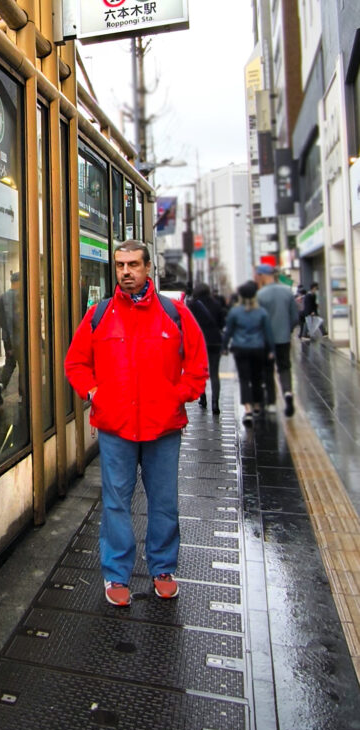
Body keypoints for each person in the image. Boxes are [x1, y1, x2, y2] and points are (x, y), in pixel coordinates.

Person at [64, 239, 208, 608]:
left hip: (164, 428)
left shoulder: (174, 313)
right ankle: (116, 574)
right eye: (120, 265)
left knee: (164, 503)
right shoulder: (99, 315)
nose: (126, 272)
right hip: (116, 428)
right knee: (115, 503)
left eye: (133, 265)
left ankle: (163, 569)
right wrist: (94, 393)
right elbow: (76, 363)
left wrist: (179, 396)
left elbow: (197, 365)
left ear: (148, 268)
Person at [221, 280, 275, 426]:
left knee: (244, 379)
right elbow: (268, 332)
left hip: (240, 349)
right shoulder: (261, 312)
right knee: (257, 378)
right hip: (258, 348)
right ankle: (257, 405)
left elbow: (229, 331)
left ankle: (248, 410)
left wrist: (224, 347)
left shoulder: (235, 312)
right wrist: (271, 350)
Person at [255, 263, 299, 416]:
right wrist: (288, 329)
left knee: (267, 369)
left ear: (262, 276)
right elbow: (295, 317)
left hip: (267, 340)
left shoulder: (260, 295)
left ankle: (272, 403)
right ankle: (287, 392)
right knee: (284, 367)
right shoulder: (286, 292)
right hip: (284, 338)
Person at [187, 281, 224, 415]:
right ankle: (215, 403)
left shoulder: (192, 306)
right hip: (215, 341)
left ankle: (203, 399)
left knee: (201, 371)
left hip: (199, 342)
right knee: (214, 373)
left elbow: (188, 324)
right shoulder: (216, 304)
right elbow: (221, 324)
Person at [0, 271, 22, 406]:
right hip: (21, 339)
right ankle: (22, 396)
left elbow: (0, 319)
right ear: (18, 282)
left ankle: (1, 384)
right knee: (24, 366)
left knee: (10, 363)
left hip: (7, 340)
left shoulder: (2, 297)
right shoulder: (22, 296)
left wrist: (7, 338)